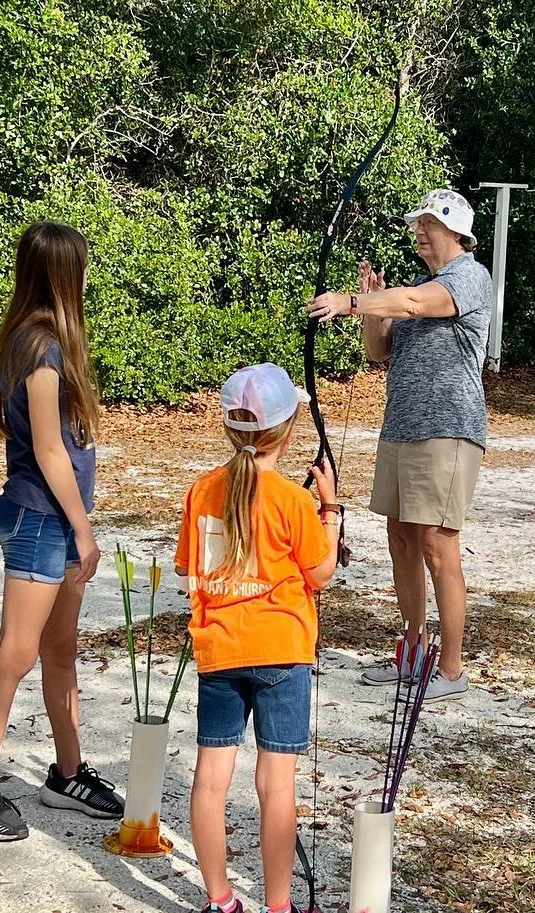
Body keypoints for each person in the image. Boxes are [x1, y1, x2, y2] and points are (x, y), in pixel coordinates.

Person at [0, 221, 122, 841]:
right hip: (41, 519)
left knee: (59, 650)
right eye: (83, 267)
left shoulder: (29, 338)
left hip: (53, 519)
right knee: (17, 652)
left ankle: (67, 774)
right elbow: (48, 450)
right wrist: (84, 530)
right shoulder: (40, 347)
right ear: (67, 274)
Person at [307, 188, 492, 702]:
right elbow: (378, 351)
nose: (420, 231)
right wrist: (372, 308)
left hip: (447, 430)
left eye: (429, 223)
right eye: (419, 223)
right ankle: (413, 652)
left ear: (456, 231)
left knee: (436, 543)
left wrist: (350, 302)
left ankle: (450, 670)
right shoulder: (419, 288)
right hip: (402, 428)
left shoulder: (468, 277)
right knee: (402, 539)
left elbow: (414, 303)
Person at [174, 363, 340, 913]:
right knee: (276, 786)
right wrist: (331, 512)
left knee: (210, 782)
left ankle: (220, 901)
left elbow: (188, 568)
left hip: (220, 651)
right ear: (288, 432)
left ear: (229, 428)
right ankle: (278, 906)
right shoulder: (293, 499)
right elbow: (321, 574)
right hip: (282, 653)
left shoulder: (203, 490)